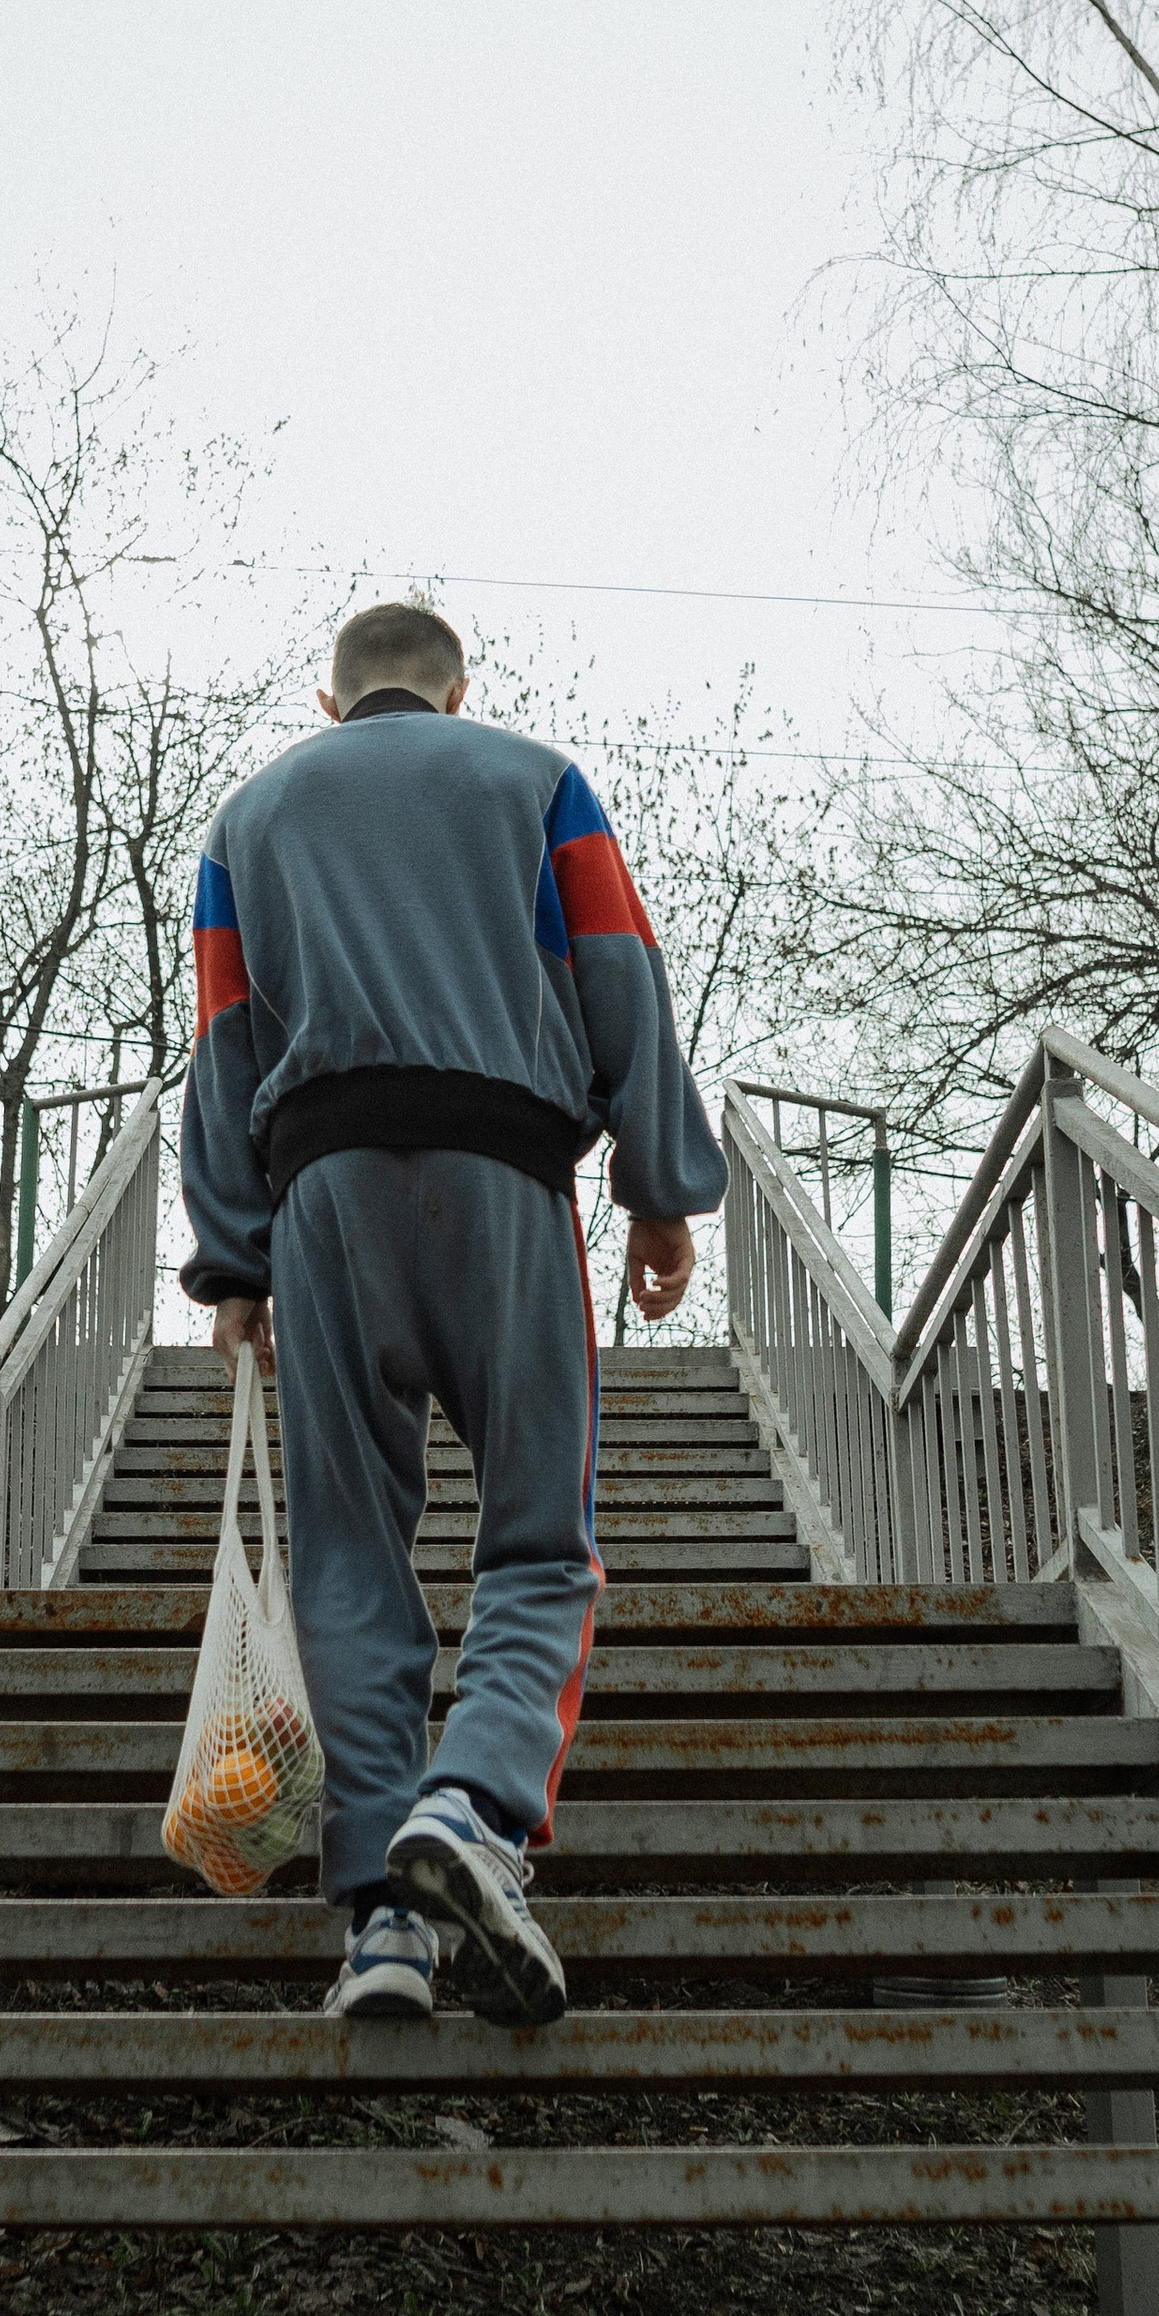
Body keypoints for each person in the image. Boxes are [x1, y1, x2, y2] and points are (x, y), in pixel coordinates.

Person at [178, 599, 725, 2025]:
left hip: (323, 1200)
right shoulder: (536, 781)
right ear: (459, 688)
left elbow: (223, 1038)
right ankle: (472, 1808)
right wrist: (659, 1185)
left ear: (330, 697)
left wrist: (236, 1257)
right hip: (504, 1177)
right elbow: (622, 974)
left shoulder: (247, 822)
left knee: (352, 1562)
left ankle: (380, 1929)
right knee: (541, 1538)